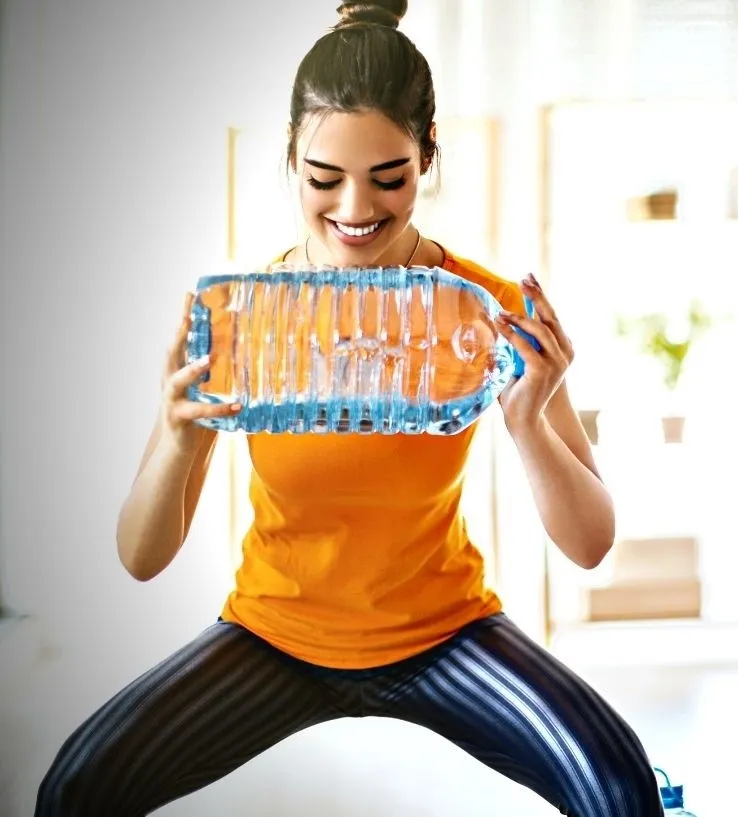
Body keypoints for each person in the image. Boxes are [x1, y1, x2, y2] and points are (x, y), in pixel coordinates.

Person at [34, 2, 664, 815]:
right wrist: (183, 435)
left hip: (444, 634)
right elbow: (140, 554)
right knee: (75, 787)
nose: (355, 210)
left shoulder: (488, 311)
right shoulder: (240, 320)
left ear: (429, 153)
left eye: (389, 177)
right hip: (275, 635)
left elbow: (590, 543)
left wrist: (527, 421)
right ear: (290, 159)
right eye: (323, 179)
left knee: (620, 786)